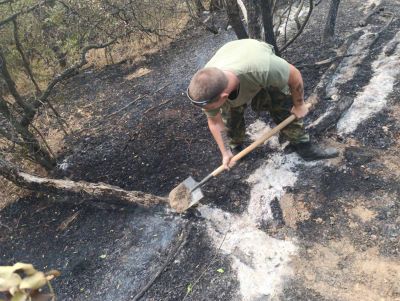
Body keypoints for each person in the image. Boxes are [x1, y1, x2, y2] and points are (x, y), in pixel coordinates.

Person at [187, 39, 338, 169]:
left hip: (253, 57)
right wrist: (225, 151)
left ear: (223, 96)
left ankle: (304, 146)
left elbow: (295, 76)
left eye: (211, 107)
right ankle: (236, 148)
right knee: (230, 116)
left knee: (281, 104)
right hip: (231, 57)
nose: (209, 111)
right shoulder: (207, 87)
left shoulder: (264, 68)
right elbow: (215, 122)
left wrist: (299, 105)